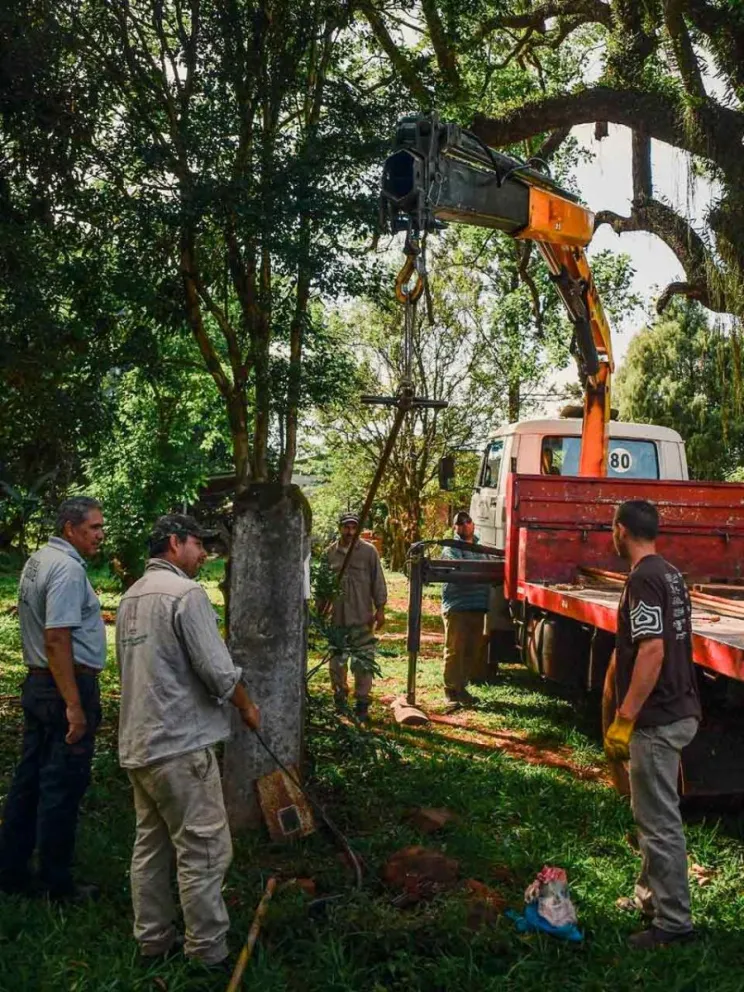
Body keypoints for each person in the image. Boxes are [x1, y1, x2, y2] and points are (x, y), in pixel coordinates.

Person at [116, 514, 260, 969]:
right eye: (199, 545)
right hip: (180, 745)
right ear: (175, 543)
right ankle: (207, 953)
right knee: (205, 850)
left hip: (140, 745)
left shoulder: (130, 596)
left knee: (151, 849)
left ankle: (153, 943)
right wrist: (246, 705)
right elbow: (217, 671)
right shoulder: (186, 595)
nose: (203, 555)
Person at [604, 499, 701, 950]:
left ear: (621, 530)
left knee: (660, 822)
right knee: (649, 814)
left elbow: (652, 651)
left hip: (657, 720)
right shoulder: (671, 574)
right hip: (678, 708)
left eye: (612, 529)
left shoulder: (643, 579)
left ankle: (674, 923)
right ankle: (649, 899)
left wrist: (624, 719)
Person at [0, 497, 106, 901]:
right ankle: (55, 882)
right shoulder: (65, 570)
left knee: (29, 779)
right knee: (62, 783)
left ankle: (11, 869)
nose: (100, 535)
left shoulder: (38, 560)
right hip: (63, 684)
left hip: (40, 684)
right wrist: (74, 704)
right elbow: (58, 637)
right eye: (94, 527)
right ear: (70, 529)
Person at [324, 512, 387, 724]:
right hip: (338, 621)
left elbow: (378, 580)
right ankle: (340, 702)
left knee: (363, 664)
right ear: (340, 528)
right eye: (346, 527)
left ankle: (362, 705)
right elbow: (322, 587)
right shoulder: (329, 553)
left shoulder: (368, 552)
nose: (350, 532)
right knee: (337, 665)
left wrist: (380, 608)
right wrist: (321, 612)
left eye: (353, 528)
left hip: (362, 618)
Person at [440, 510, 490, 709]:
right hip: (458, 606)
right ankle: (450, 690)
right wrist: (479, 571)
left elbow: (489, 567)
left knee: (472, 649)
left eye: (467, 521)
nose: (464, 525)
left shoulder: (482, 548)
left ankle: (462, 688)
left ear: (473, 525)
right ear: (455, 527)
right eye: (459, 522)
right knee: (454, 649)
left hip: (478, 605)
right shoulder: (450, 549)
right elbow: (459, 569)